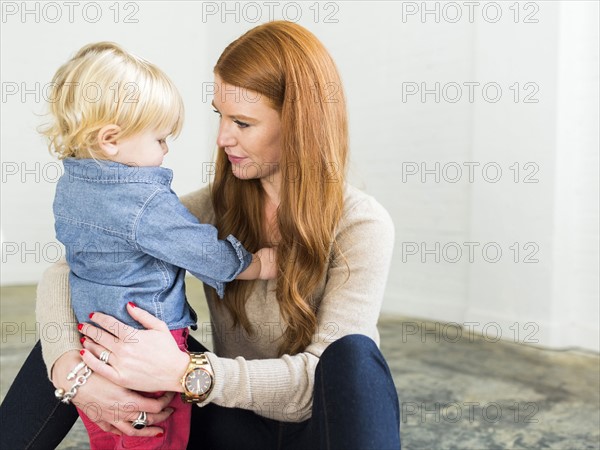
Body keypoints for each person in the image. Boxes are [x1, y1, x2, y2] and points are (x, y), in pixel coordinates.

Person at [0, 21, 401, 449]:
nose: (222, 137)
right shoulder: (209, 208)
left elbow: (310, 386)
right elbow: (73, 267)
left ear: (300, 125)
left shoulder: (362, 224)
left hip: (310, 431)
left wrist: (182, 371)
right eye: (220, 116)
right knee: (97, 320)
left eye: (243, 123)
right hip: (230, 423)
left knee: (355, 356)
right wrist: (70, 372)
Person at [39, 41, 276, 450]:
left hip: (92, 336)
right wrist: (255, 265)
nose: (166, 150)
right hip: (147, 341)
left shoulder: (70, 187)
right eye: (161, 139)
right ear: (111, 139)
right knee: (156, 434)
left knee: (113, 433)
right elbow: (199, 249)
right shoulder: (144, 202)